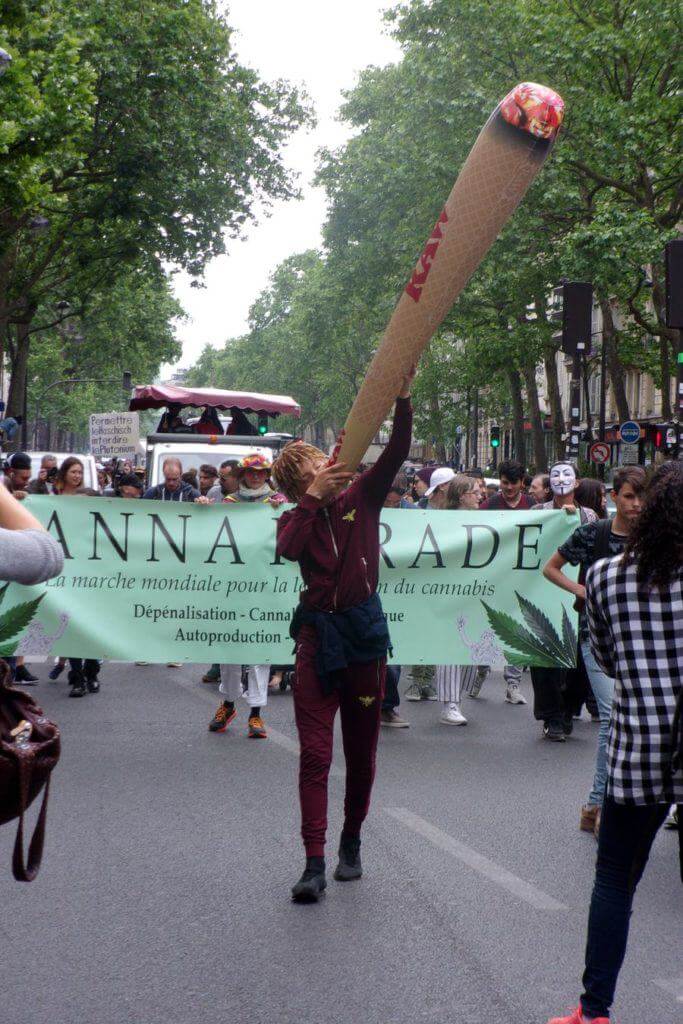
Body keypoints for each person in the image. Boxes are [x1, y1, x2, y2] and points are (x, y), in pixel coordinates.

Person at [272, 365, 414, 902]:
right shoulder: (294, 518)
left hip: (363, 639)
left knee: (362, 750)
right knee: (314, 756)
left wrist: (402, 396)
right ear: (298, 481)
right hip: (316, 643)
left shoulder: (364, 495)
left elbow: (397, 452)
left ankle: (350, 842)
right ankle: (312, 862)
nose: (326, 464)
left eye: (324, 458)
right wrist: (311, 499)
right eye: (313, 465)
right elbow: (287, 551)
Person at [547, 463, 682, 1024]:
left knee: (614, 882)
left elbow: (600, 657)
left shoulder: (604, 577)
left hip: (640, 748)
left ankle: (595, 1009)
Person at [543, 467, 646, 821]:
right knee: (611, 717)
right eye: (630, 496)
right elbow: (551, 568)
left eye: (642, 497)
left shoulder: (653, 537)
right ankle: (598, 804)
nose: (637, 505)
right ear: (614, 496)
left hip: (642, 641)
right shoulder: (593, 534)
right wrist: (581, 590)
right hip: (597, 636)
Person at [207, 453, 283, 740]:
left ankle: (256, 714)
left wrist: (283, 510)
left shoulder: (277, 502)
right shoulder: (228, 504)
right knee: (229, 650)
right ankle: (227, 705)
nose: (255, 477)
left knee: (259, 652)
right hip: (232, 589)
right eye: (251, 473)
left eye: (261, 472)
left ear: (267, 475)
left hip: (264, 589)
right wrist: (202, 509)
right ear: (242, 475)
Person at [471, 459, 529, 705]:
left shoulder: (535, 507)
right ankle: (480, 671)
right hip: (492, 579)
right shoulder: (488, 506)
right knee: (487, 628)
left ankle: (513, 684)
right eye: (504, 483)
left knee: (517, 630)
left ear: (522, 483)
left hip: (521, 581)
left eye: (513, 483)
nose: (508, 488)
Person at [434, 476, 480, 725]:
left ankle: (456, 699)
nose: (480, 496)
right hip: (448, 590)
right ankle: (449, 703)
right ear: (461, 495)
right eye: (475, 492)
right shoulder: (442, 522)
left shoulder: (485, 521)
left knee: (470, 647)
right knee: (451, 646)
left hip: (475, 590)